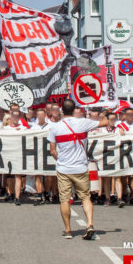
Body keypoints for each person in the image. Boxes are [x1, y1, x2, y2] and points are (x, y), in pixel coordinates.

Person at [48, 99, 108, 240]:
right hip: (81, 167)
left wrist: (61, 160)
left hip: (64, 168)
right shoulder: (83, 122)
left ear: (62, 110)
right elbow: (105, 122)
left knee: (64, 199)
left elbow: (52, 150)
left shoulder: (55, 127)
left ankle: (68, 230)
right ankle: (90, 224)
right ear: (74, 109)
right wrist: (104, 112)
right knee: (85, 197)